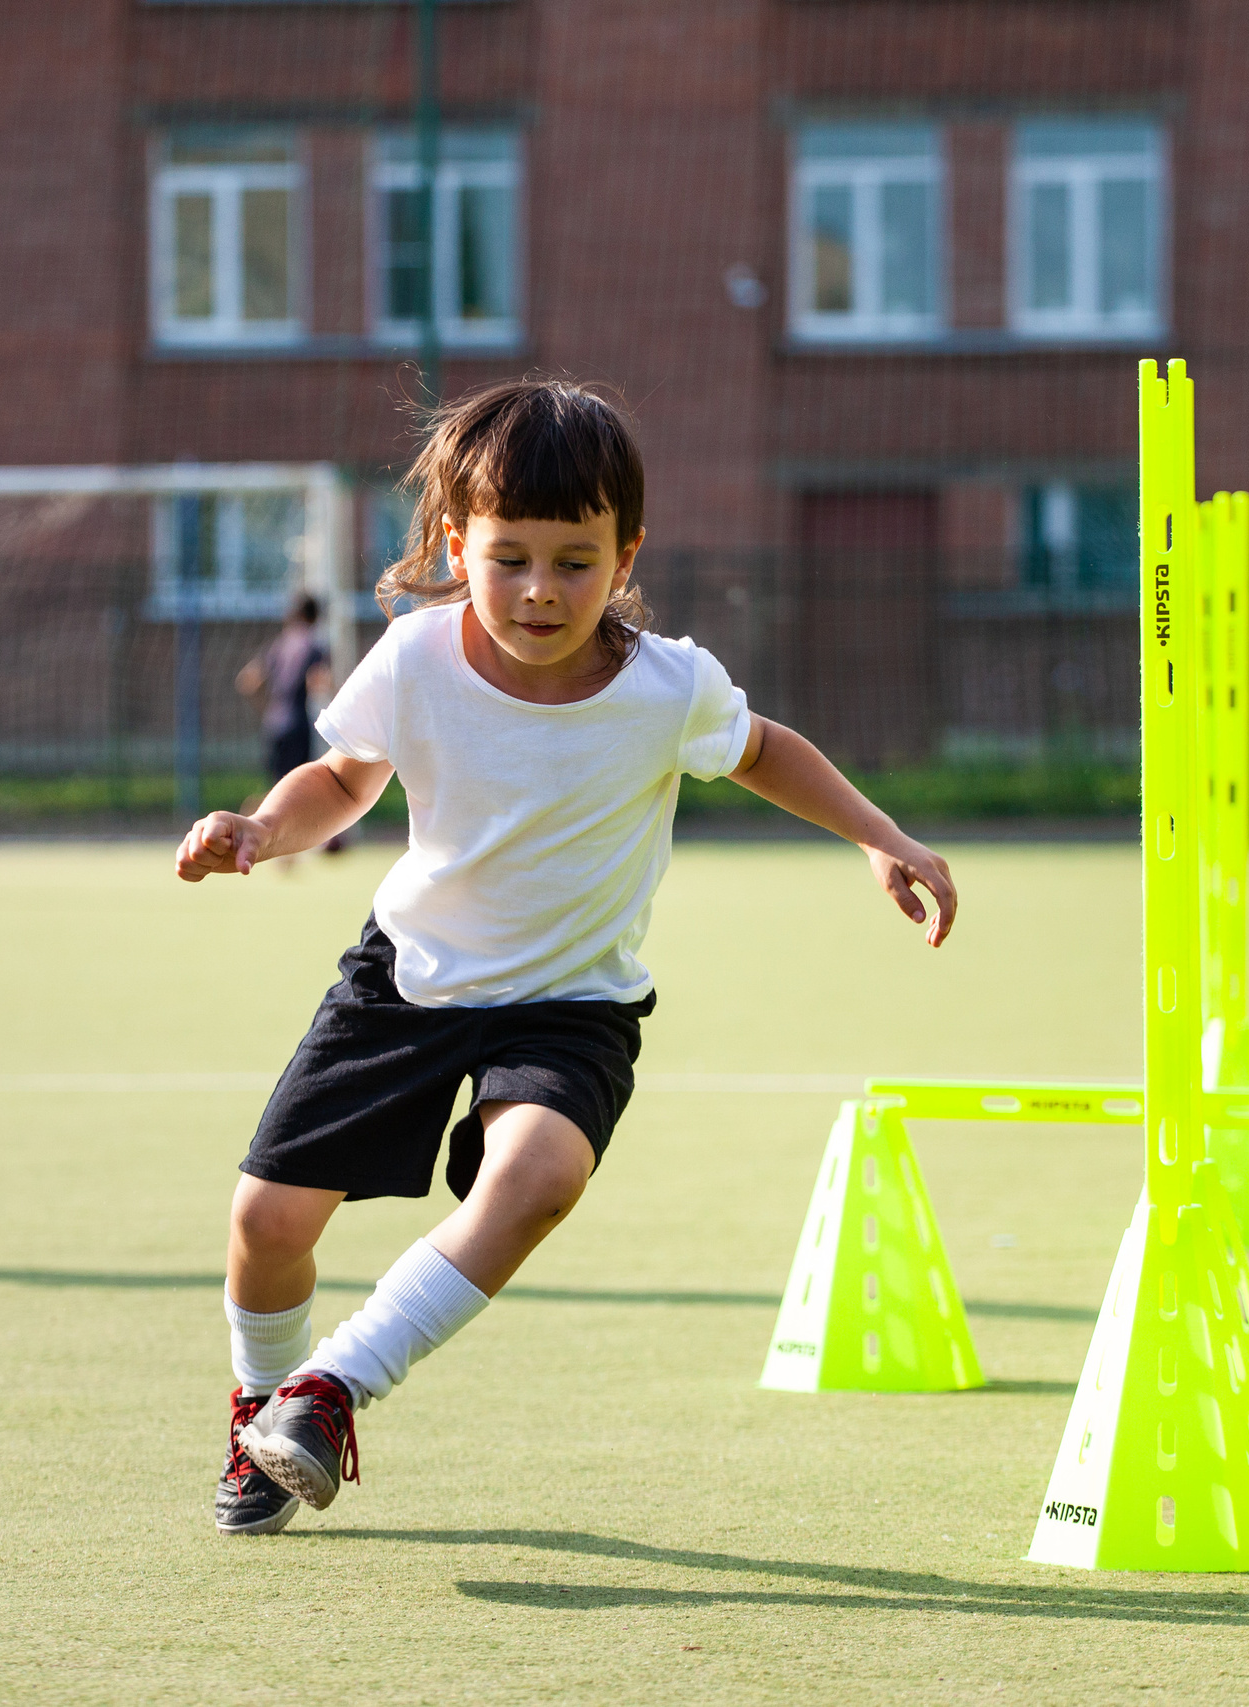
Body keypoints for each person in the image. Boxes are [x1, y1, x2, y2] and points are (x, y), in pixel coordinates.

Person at [176, 378, 958, 1536]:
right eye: (510, 559)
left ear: (624, 553)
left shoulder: (664, 687)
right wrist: (261, 828)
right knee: (266, 1225)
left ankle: (330, 1388)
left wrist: (879, 838)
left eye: (575, 561)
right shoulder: (412, 660)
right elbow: (341, 779)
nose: (541, 591)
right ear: (459, 546)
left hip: (570, 1003)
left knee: (538, 1177)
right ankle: (259, 1412)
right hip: (406, 980)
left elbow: (761, 751)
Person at [233, 592, 347, 866]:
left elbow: (247, 680)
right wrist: (341, 697)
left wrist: (268, 707)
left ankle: (247, 829)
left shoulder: (278, 645)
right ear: (316, 617)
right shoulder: (315, 647)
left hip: (273, 722)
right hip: (297, 723)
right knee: (298, 787)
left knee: (277, 785)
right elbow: (320, 682)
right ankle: (285, 847)